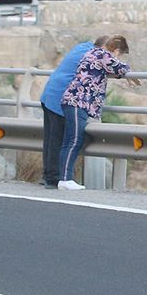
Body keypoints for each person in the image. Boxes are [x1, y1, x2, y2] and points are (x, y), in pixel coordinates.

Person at [55, 35, 132, 190]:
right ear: (116, 50)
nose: (118, 57)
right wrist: (130, 74)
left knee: (69, 140)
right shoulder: (103, 55)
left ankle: (64, 178)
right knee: (74, 140)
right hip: (78, 102)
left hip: (73, 101)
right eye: (119, 54)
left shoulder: (92, 53)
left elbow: (109, 69)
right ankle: (65, 179)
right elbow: (120, 68)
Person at [38, 35, 107, 188]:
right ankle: (54, 178)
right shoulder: (95, 55)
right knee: (59, 139)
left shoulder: (82, 47)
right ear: (104, 48)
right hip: (60, 98)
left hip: (49, 94)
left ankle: (48, 176)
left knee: (50, 139)